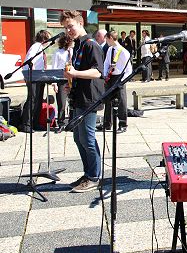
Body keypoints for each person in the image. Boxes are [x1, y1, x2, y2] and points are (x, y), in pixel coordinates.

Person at [62, 10, 105, 193]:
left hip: (89, 99)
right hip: (79, 97)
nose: (68, 30)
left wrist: (75, 74)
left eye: (70, 26)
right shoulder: (78, 46)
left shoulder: (90, 44)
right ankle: (88, 173)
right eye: (65, 27)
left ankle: (94, 176)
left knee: (87, 138)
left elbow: (98, 72)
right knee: (78, 138)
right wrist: (71, 84)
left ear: (80, 23)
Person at [98, 31, 132, 133]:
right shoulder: (110, 49)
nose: (106, 41)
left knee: (122, 101)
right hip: (110, 77)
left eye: (107, 39)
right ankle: (107, 123)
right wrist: (104, 74)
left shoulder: (124, 52)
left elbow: (129, 69)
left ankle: (122, 124)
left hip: (120, 77)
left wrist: (122, 81)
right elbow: (106, 63)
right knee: (108, 100)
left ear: (111, 38)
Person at [20, 30, 50, 132]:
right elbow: (30, 60)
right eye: (48, 38)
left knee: (38, 101)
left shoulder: (41, 48)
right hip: (33, 77)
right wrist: (30, 76)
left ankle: (35, 123)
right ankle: (26, 124)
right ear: (44, 38)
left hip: (39, 77)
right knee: (32, 100)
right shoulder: (36, 46)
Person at [51, 34, 74, 128]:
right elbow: (54, 68)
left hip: (72, 78)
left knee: (72, 101)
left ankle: (72, 121)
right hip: (61, 79)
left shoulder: (72, 51)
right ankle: (61, 122)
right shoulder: (58, 53)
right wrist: (54, 83)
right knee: (62, 102)